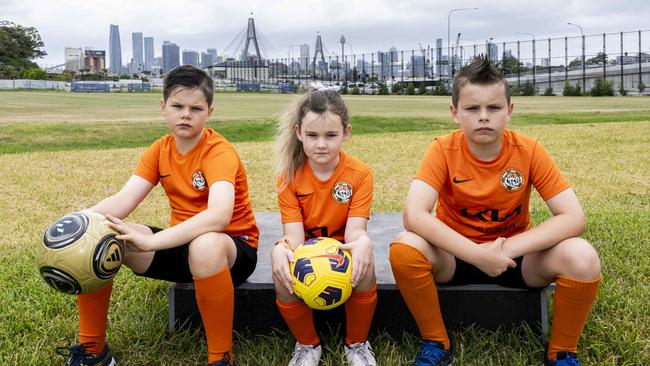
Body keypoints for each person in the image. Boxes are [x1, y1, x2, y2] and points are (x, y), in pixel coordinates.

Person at [388, 56, 602, 366]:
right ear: (454, 113)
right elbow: (415, 215)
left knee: (582, 256)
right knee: (404, 247)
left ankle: (562, 352)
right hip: (455, 256)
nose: (483, 117)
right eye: (472, 109)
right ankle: (436, 342)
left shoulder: (528, 150)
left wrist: (503, 250)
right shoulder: (442, 149)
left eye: (494, 108)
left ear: (510, 111)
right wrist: (477, 255)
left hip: (515, 260)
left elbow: (573, 217)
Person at [57, 65, 258, 366]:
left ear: (210, 112)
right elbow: (123, 201)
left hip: (230, 250)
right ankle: (93, 351)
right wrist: (77, 220)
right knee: (104, 232)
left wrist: (154, 242)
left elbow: (219, 216)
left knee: (206, 245)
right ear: (163, 107)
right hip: (184, 247)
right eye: (177, 106)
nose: (185, 115)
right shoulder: (159, 150)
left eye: (195, 108)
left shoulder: (219, 151)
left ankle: (220, 358)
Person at [271, 86, 378, 366]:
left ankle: (357, 344)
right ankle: (308, 345)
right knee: (280, 271)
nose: (321, 144)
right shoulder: (288, 175)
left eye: (331, 135)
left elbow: (356, 232)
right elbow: (292, 235)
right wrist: (280, 248)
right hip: (307, 256)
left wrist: (363, 242)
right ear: (298, 133)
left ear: (346, 132)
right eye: (313, 135)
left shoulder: (360, 173)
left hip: (343, 251)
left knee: (366, 264)